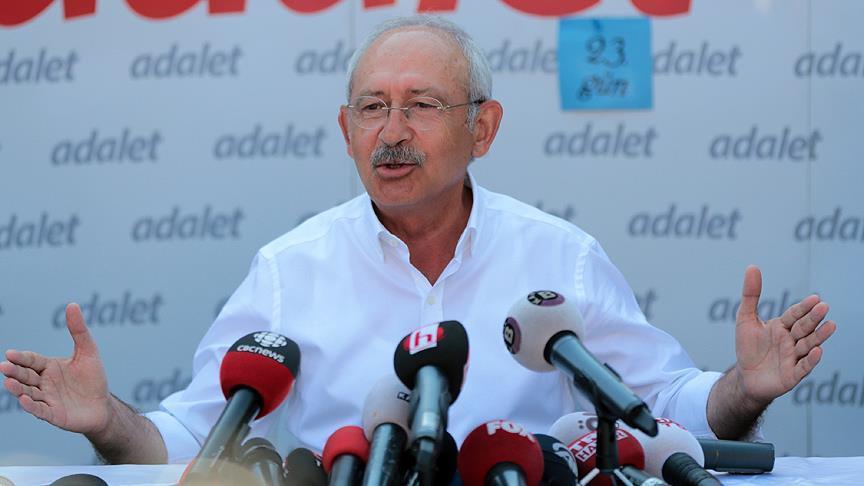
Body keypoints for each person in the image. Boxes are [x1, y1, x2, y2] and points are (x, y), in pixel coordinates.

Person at [1, 16, 836, 465]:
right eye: (372, 108)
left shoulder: (560, 258)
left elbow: (662, 411)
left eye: (422, 106)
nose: (391, 132)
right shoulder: (290, 269)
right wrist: (105, 421)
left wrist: (747, 388)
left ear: (484, 129)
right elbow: (194, 437)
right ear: (346, 130)